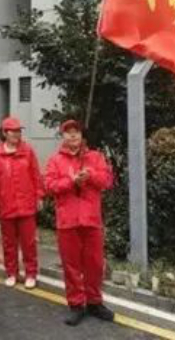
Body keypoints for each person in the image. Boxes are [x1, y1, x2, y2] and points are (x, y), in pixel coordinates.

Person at [45, 119, 116, 326]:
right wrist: (71, 181)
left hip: (91, 220)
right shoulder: (55, 160)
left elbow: (107, 181)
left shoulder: (95, 157)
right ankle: (76, 304)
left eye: (76, 131)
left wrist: (90, 175)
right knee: (71, 265)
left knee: (95, 264)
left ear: (82, 135)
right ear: (63, 136)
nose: (73, 135)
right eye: (68, 132)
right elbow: (49, 185)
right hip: (67, 221)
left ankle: (94, 302)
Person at [0, 117, 43, 290]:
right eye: (13, 131)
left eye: (19, 131)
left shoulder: (28, 151)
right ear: (5, 133)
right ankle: (11, 273)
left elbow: (36, 175)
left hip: (26, 204)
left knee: (29, 243)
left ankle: (31, 274)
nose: (17, 134)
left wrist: (39, 196)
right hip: (6, 204)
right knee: (9, 242)